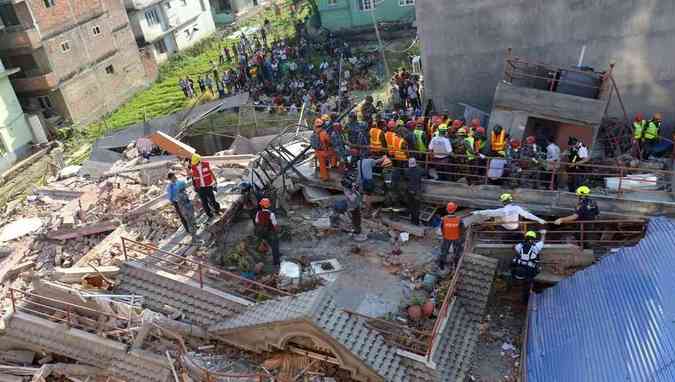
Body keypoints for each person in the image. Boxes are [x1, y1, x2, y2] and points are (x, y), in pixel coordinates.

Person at [472, 193, 546, 232]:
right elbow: (528, 215)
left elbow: (489, 212)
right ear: (510, 200)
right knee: (523, 213)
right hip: (515, 225)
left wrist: (477, 212)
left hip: (507, 226)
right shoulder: (517, 208)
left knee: (493, 215)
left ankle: (482, 226)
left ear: (503, 202)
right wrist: (539, 219)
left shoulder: (502, 210)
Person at [510, 230, 545, 303]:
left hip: (518, 269)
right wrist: (543, 234)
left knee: (513, 266)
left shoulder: (520, 246)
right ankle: (526, 300)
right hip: (529, 271)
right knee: (530, 281)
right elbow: (542, 241)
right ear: (533, 239)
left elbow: (513, 247)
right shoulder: (536, 247)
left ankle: (512, 287)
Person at [190, 154, 221, 218]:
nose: (194, 164)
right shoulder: (193, 168)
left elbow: (211, 173)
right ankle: (209, 215)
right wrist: (195, 187)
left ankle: (217, 211)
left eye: (195, 163)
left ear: (199, 161)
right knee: (204, 202)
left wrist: (215, 181)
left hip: (208, 186)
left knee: (212, 200)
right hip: (200, 188)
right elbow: (193, 178)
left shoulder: (206, 165)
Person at [255, 198, 281, 268]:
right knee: (275, 246)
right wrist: (277, 231)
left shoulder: (258, 213)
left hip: (261, 233)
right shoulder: (271, 214)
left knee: (262, 246)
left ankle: (261, 261)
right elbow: (274, 225)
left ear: (261, 206)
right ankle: (276, 262)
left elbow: (257, 222)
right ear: (268, 206)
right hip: (270, 232)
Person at [439, 202, 462, 271]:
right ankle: (456, 265)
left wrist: (444, 235)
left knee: (444, 251)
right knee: (457, 252)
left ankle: (441, 266)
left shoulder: (444, 219)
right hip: (456, 238)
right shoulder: (459, 219)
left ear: (447, 210)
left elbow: (442, 228)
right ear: (454, 210)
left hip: (446, 237)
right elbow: (462, 230)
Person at [405, 158, 424, 225]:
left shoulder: (407, 171)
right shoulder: (420, 170)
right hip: (417, 191)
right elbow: (425, 173)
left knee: (411, 206)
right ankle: (416, 222)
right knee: (417, 207)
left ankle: (412, 220)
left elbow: (406, 177)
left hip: (410, 190)